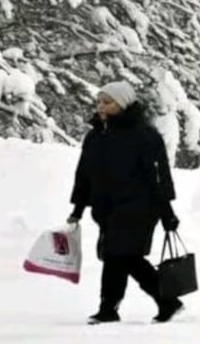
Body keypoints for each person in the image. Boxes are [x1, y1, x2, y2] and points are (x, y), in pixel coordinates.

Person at [68, 81, 183, 324]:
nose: (101, 107)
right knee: (117, 257)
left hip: (139, 207)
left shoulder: (145, 136)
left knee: (122, 255)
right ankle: (150, 303)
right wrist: (78, 208)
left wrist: (167, 213)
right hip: (107, 208)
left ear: (123, 104)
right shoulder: (96, 136)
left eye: (108, 102)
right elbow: (84, 174)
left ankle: (116, 307)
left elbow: (158, 177)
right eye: (99, 101)